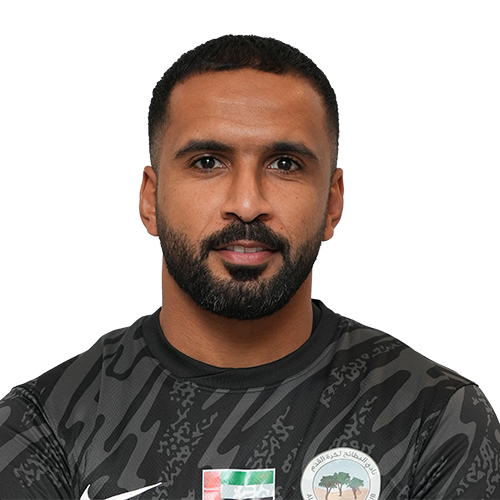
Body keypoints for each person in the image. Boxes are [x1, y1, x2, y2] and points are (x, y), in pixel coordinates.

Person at [0, 35, 498, 500]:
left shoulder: (438, 417)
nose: (246, 203)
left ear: (333, 203)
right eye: (207, 161)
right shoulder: (41, 423)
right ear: (150, 199)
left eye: (285, 164)